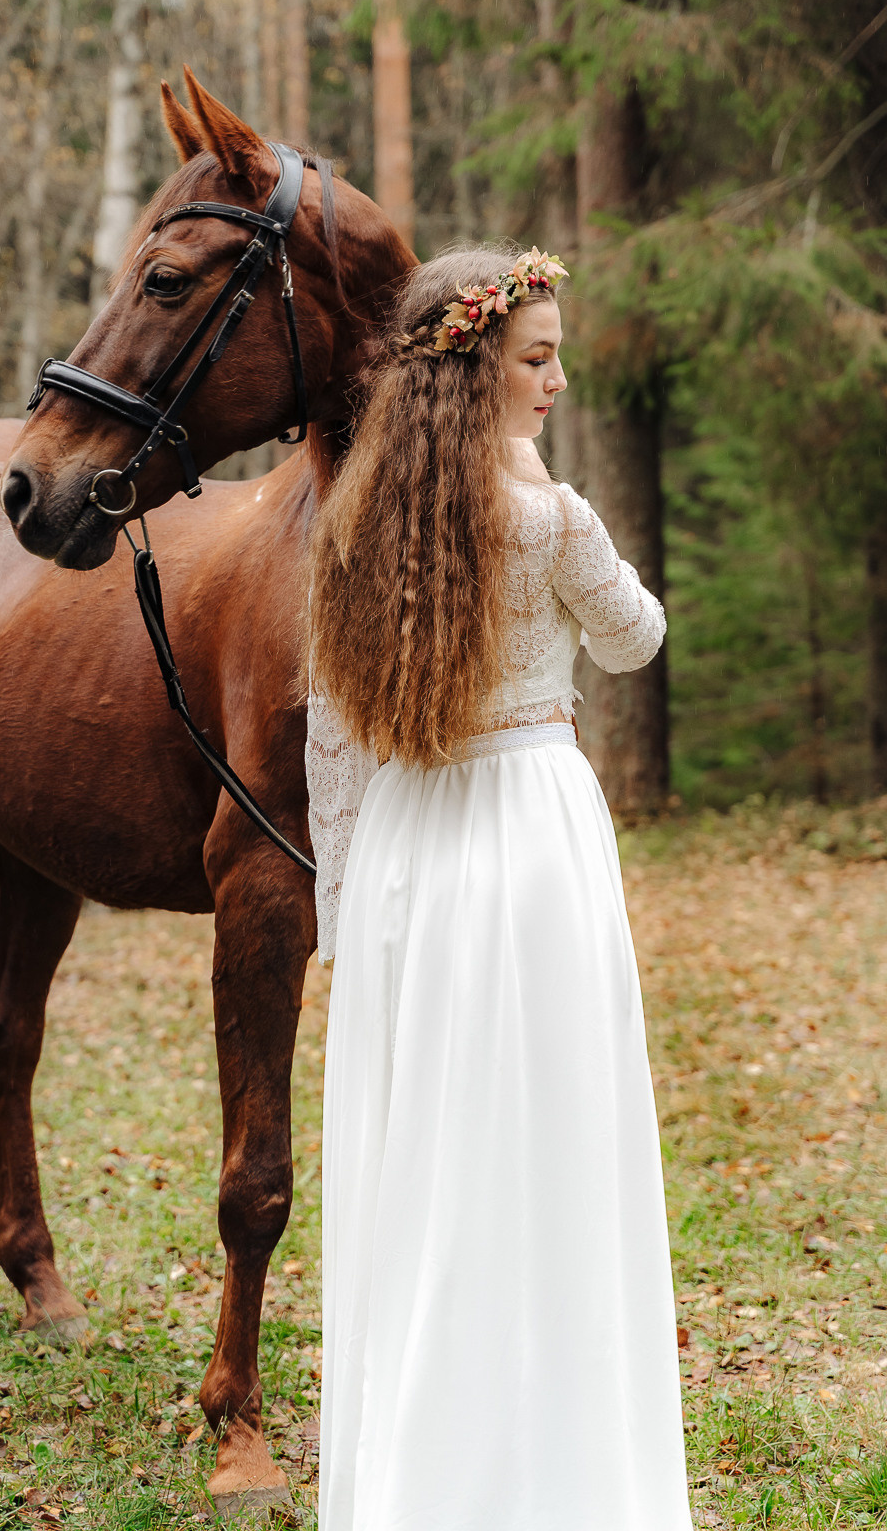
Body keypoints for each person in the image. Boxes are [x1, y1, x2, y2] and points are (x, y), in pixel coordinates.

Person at [303, 244, 692, 1531]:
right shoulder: (552, 519)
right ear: (475, 370)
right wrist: (556, 498)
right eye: (537, 358)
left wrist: (342, 910)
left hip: (406, 852)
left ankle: (418, 1471)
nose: (557, 380)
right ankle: (554, 1468)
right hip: (528, 843)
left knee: (424, 1156)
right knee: (546, 1141)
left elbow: (334, 736)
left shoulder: (358, 517)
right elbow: (636, 638)